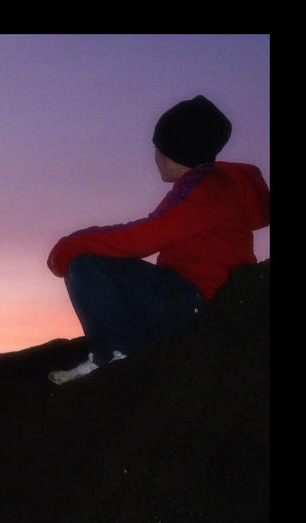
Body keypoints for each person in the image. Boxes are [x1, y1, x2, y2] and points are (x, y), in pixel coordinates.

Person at [46, 95, 270, 385]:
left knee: (85, 263)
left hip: (196, 301)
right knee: (87, 262)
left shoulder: (208, 188)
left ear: (177, 151)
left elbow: (143, 237)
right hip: (185, 292)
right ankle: (106, 355)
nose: (155, 156)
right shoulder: (207, 186)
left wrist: (69, 245)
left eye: (159, 148)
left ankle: (121, 355)